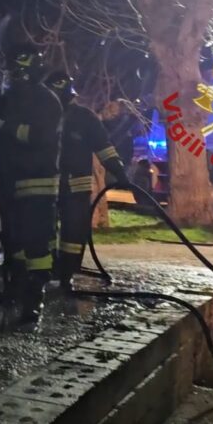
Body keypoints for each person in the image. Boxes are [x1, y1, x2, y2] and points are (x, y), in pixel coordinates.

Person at [0, 42, 63, 326]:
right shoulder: (3, 102)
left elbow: (40, 136)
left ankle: (34, 300)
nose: (15, 75)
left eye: (19, 69)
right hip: (9, 182)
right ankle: (14, 290)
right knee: (13, 241)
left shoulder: (47, 101)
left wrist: (2, 128)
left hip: (38, 184)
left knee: (37, 244)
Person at [43, 70, 129, 291]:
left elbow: (104, 148)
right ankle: (47, 273)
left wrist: (119, 172)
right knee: (45, 231)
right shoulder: (39, 118)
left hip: (74, 187)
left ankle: (66, 274)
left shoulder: (85, 117)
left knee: (73, 233)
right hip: (45, 188)